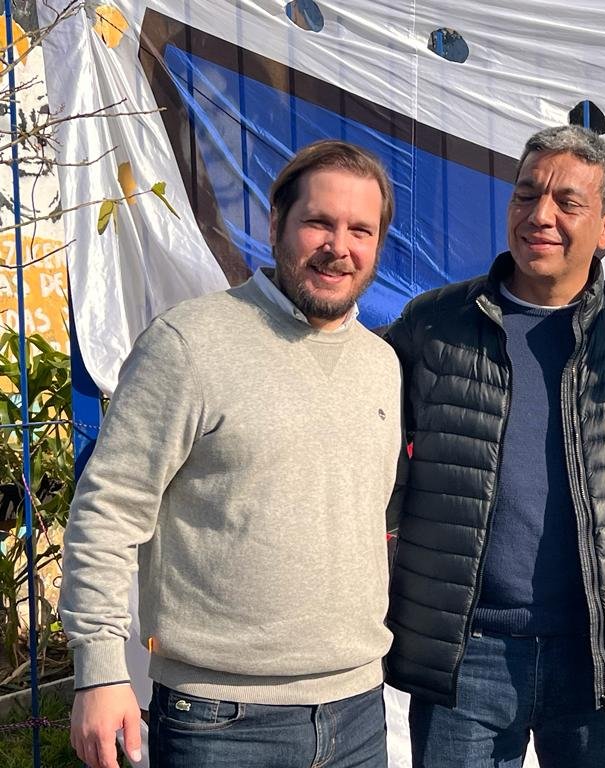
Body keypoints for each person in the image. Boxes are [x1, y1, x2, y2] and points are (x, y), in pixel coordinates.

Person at [60, 140, 405, 768]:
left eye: (361, 230)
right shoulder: (188, 344)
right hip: (220, 721)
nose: (339, 247)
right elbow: (107, 512)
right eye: (318, 222)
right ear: (276, 224)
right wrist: (100, 669)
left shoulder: (381, 365)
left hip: (357, 712)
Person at [383, 124, 605, 768]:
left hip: (600, 656)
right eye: (526, 194)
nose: (540, 216)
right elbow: (365, 450)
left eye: (566, 202)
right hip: (465, 654)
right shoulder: (433, 325)